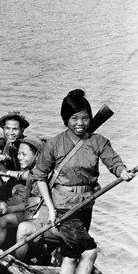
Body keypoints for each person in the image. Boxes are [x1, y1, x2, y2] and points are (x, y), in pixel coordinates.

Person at [34, 89, 134, 274]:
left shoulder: (98, 141)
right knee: (90, 251)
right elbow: (39, 177)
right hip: (64, 206)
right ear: (65, 119)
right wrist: (51, 209)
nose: (80, 123)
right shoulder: (54, 144)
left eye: (85, 118)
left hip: (86, 204)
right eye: (74, 118)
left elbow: (113, 162)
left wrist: (122, 172)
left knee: (71, 255)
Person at [0, 136, 57, 255]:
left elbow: (37, 203)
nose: (19, 158)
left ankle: (18, 265)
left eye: (24, 154)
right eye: (19, 154)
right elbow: (30, 203)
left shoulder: (44, 175)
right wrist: (8, 209)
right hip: (33, 215)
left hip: (45, 220)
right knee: (4, 220)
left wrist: (9, 208)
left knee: (23, 228)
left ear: (37, 155)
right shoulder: (33, 171)